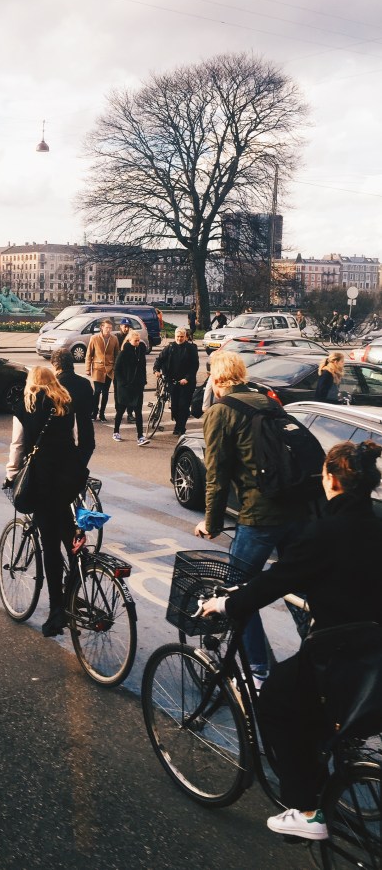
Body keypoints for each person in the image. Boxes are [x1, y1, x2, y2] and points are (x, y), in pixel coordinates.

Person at [201, 439, 382, 842]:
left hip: (338, 651)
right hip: (374, 648)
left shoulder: (325, 531)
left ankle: (307, 810)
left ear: (331, 479)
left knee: (277, 705)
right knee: (315, 713)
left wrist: (227, 605)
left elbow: (275, 580)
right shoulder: (376, 522)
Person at [193, 349, 307, 685]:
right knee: (298, 588)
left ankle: (258, 669)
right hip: (297, 507)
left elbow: (216, 475)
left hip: (260, 513)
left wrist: (211, 523)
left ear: (216, 378)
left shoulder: (221, 411)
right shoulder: (266, 401)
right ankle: (320, 658)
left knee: (236, 591)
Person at [5, 366, 84, 638]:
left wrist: (11, 475)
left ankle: (57, 611)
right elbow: (73, 439)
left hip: (43, 480)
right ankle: (77, 581)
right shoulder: (65, 402)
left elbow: (18, 446)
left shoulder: (25, 405)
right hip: (68, 477)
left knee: (50, 547)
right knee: (68, 533)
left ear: (32, 382)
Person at [49, 348, 95, 469]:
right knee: (78, 473)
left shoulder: (54, 387)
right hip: (85, 437)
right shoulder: (85, 383)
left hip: (63, 440)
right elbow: (92, 408)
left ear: (55, 365)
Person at [154, 327, 198, 435]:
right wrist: (156, 370)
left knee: (183, 405)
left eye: (182, 336)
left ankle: (180, 428)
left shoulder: (191, 348)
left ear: (185, 337)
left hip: (186, 383)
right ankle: (179, 423)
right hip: (172, 381)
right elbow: (159, 359)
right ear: (175, 337)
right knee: (174, 406)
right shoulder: (170, 347)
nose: (179, 338)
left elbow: (194, 366)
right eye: (178, 336)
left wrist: (187, 378)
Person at [113, 328, 150, 445]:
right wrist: (123, 383)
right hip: (125, 387)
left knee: (138, 411)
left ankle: (140, 436)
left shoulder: (140, 352)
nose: (138, 343)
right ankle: (116, 431)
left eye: (139, 341)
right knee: (121, 410)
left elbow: (143, 368)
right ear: (129, 340)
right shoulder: (123, 353)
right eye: (136, 341)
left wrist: (143, 381)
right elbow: (117, 370)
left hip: (137, 386)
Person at [85, 319, 119, 423]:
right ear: (102, 327)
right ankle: (94, 413)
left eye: (110, 328)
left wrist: (115, 368)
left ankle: (102, 414)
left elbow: (117, 354)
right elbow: (89, 354)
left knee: (105, 392)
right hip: (97, 368)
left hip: (109, 369)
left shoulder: (114, 339)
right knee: (97, 392)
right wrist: (87, 368)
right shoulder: (94, 338)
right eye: (107, 327)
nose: (108, 330)